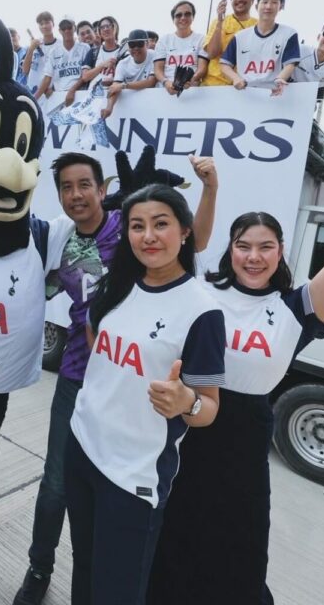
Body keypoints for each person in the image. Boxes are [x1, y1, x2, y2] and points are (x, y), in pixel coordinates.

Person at [148, 154, 324, 605]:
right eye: (243, 245)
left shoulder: (297, 308)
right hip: (185, 428)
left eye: (265, 246)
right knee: (174, 536)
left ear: (281, 251)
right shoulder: (203, 290)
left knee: (238, 549)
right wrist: (211, 188)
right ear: (230, 248)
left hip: (244, 440)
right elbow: (182, 242)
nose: (254, 257)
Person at [12, 152, 218, 605]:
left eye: (84, 184)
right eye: (66, 187)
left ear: (102, 190)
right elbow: (90, 320)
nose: (75, 194)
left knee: (115, 574)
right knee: (56, 487)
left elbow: (191, 239)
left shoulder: (129, 233)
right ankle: (39, 569)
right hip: (81, 385)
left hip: (135, 443)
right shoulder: (62, 237)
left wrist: (187, 402)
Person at [64, 183, 226, 605]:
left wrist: (184, 402)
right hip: (82, 449)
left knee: (116, 591)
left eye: (161, 224)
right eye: (137, 226)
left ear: (185, 231)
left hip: (134, 474)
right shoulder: (115, 287)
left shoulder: (202, 310)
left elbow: (208, 407)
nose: (148, 236)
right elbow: (95, 347)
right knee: (83, 569)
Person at [219, 0, 300, 95]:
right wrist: (235, 78)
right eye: (265, 2)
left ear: (280, 6)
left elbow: (290, 64)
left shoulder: (289, 34)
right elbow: (224, 64)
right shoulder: (240, 37)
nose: (268, 6)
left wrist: (280, 79)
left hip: (274, 93)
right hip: (245, 93)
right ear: (257, 6)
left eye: (274, 2)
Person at [202, 0, 258, 86]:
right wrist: (220, 22)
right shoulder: (218, 21)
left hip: (243, 86)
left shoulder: (258, 25)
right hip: (214, 85)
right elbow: (212, 53)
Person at [34, 16, 90, 112]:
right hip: (59, 98)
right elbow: (47, 78)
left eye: (69, 27)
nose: (66, 30)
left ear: (74, 28)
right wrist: (34, 99)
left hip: (80, 95)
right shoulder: (54, 52)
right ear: (59, 31)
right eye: (63, 28)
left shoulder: (85, 48)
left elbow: (86, 75)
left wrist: (72, 90)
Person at [154, 0, 209, 94]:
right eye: (178, 15)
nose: (183, 18)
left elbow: (202, 68)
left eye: (187, 14)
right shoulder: (164, 40)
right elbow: (158, 69)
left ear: (193, 17)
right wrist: (166, 82)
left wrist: (190, 80)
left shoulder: (202, 39)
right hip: (165, 92)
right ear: (173, 19)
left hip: (192, 91)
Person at [100, 29, 156, 119]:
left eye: (140, 44)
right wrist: (109, 107)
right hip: (131, 107)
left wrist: (123, 86)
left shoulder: (155, 56)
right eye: (132, 45)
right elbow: (115, 88)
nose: (136, 48)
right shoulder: (123, 64)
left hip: (152, 105)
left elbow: (151, 82)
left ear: (147, 44)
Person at [21, 11, 61, 96]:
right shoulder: (34, 44)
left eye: (47, 23)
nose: (44, 26)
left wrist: (54, 87)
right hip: (31, 90)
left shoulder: (60, 45)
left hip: (50, 92)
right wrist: (31, 49)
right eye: (41, 24)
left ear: (53, 24)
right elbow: (25, 70)